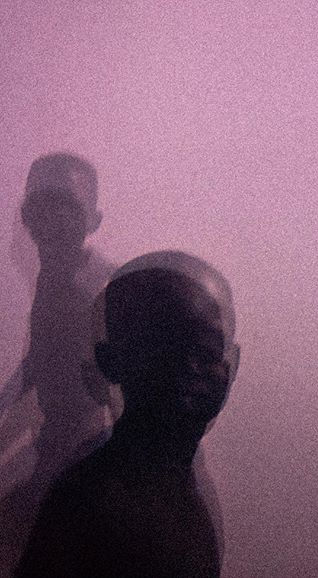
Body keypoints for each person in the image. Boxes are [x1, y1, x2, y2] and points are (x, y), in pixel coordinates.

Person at [16, 251, 240, 577]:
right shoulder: (87, 504)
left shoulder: (177, 494)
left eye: (206, 352)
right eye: (164, 350)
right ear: (110, 360)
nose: (190, 368)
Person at [0, 153, 117, 576]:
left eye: (64, 213)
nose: (48, 227)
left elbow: (120, 399)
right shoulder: (53, 278)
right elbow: (39, 358)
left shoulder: (104, 293)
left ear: (92, 221)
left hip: (85, 454)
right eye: (38, 212)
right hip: (59, 444)